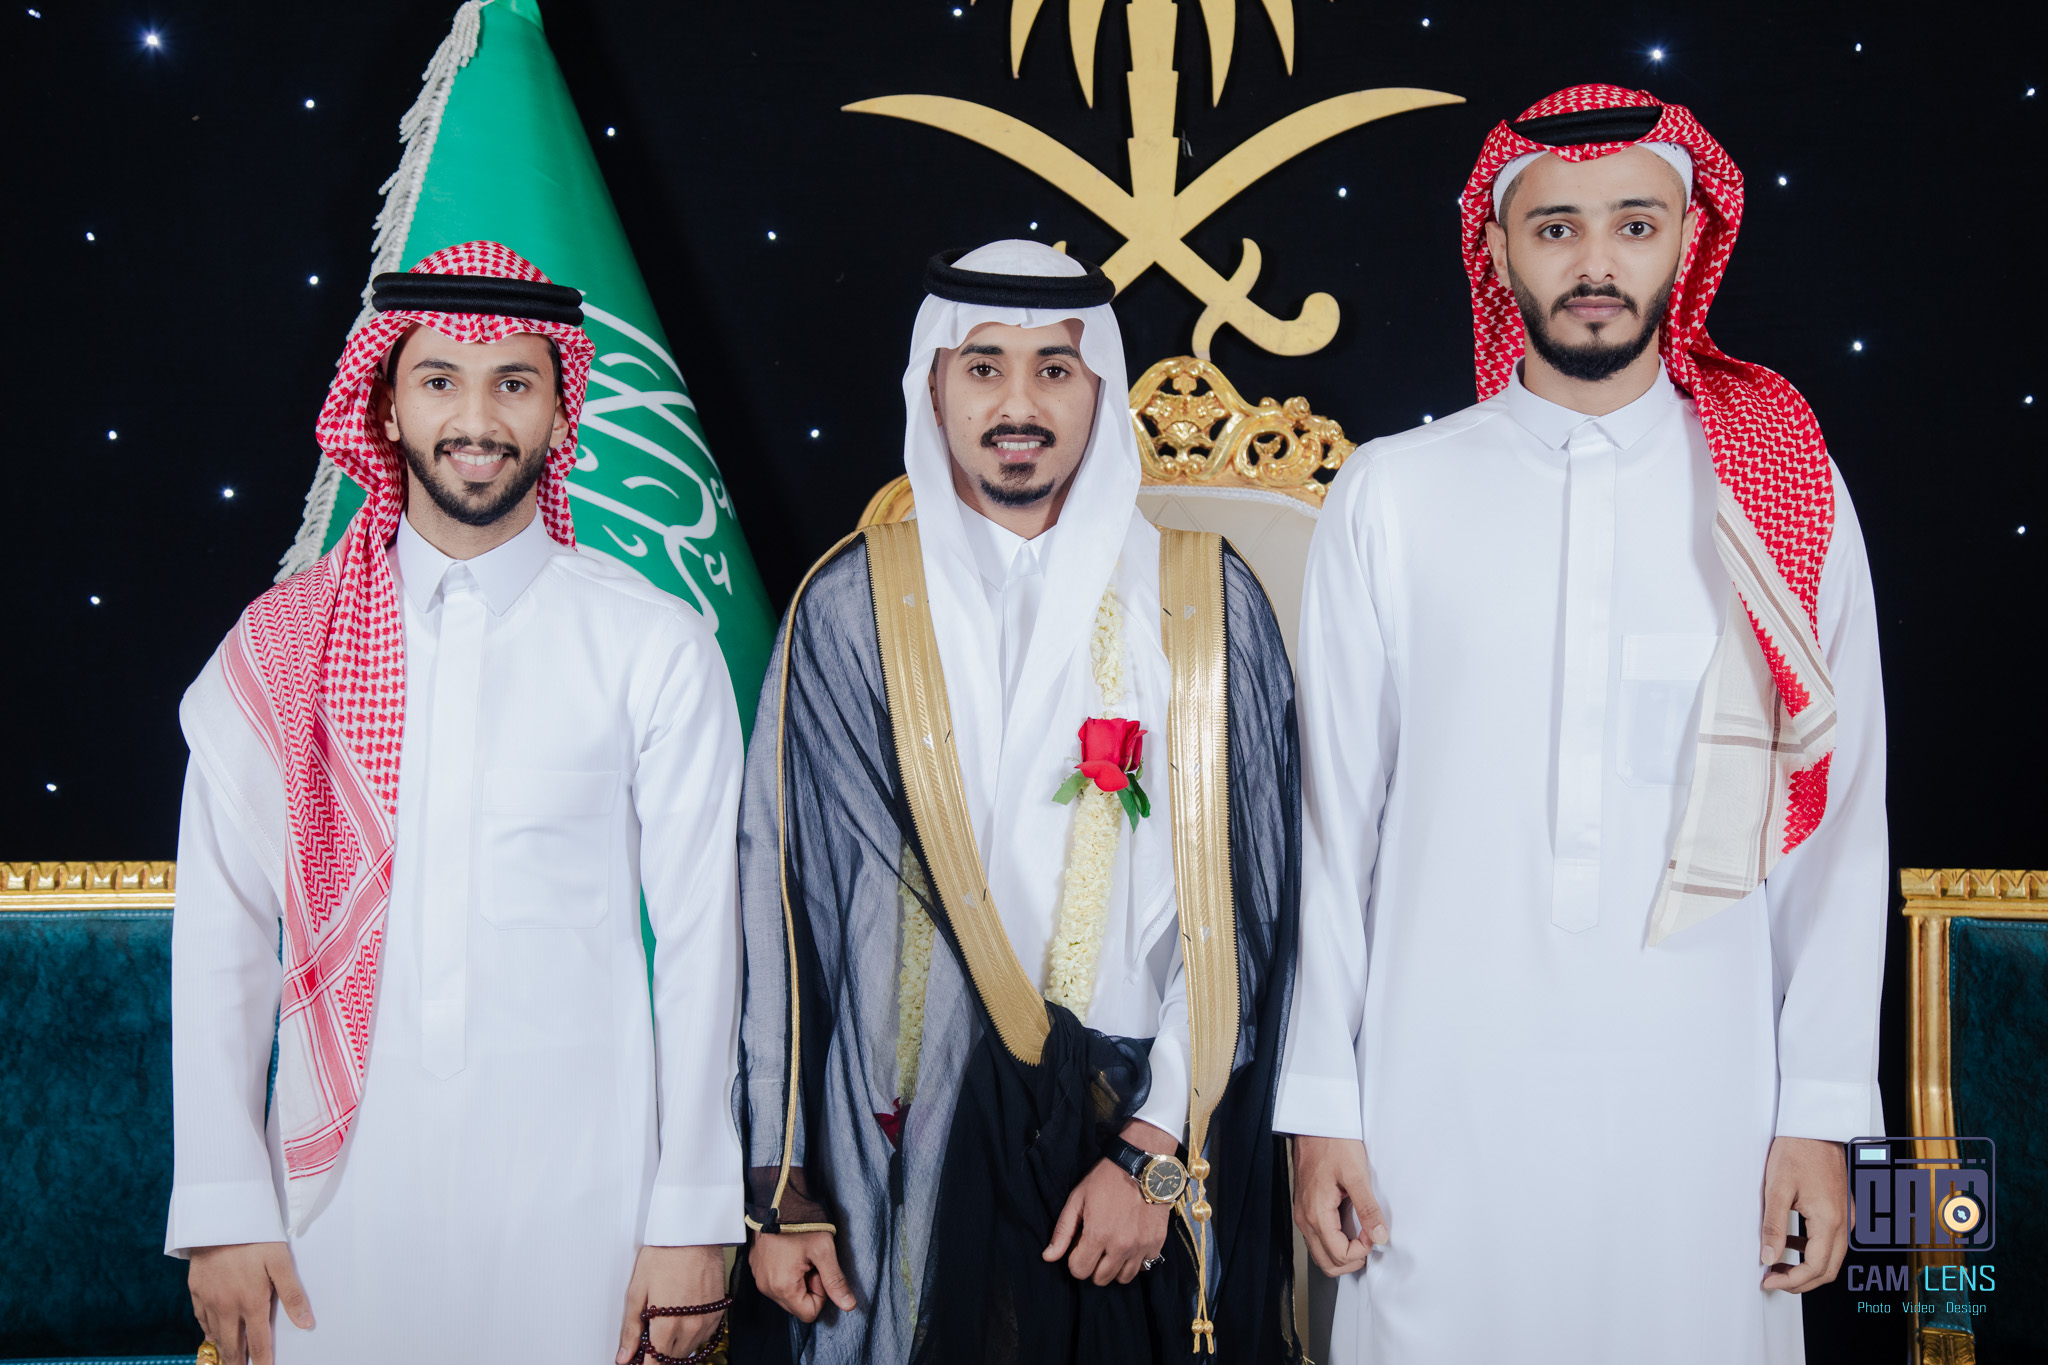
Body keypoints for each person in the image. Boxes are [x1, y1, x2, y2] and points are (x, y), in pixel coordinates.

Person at [1276, 86, 1887, 1363]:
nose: (1595, 263)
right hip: (1433, 1102)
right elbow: (1330, 835)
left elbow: (1835, 832)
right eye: (1555, 228)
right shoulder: (1393, 493)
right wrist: (1319, 1103)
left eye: (1632, 224)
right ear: (1497, 249)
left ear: (1687, 240)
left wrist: (1821, 1113)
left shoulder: (1780, 491)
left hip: (1706, 1108)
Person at [167, 241, 746, 1365]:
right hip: (333, 1216)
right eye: (439, 380)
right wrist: (225, 1207)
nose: (476, 420)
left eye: (512, 383)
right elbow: (221, 940)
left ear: (560, 411)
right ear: (385, 407)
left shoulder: (653, 644)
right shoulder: (280, 649)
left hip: (584, 1205)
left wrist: (689, 1218)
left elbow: (704, 950)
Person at [730, 240, 1301, 1364]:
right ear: (934, 387)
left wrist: (1152, 1149)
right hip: (902, 1150)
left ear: (1100, 390)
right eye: (984, 366)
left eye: (1055, 369)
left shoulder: (1198, 599)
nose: (1018, 405)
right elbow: (780, 906)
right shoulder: (850, 606)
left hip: (1125, 1151)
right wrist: (782, 1183)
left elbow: (1251, 906)